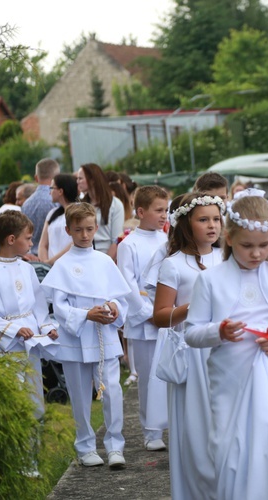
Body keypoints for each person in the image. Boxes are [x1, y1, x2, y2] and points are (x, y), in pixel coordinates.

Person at [185, 190, 268, 499]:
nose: (256, 254)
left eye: (264, 246)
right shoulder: (210, 280)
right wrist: (220, 331)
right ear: (228, 238)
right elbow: (192, 333)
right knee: (231, 451)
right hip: (230, 378)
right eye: (247, 246)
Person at [41, 202, 130, 469]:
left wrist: (114, 308)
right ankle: (85, 446)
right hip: (75, 338)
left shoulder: (104, 261)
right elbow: (60, 306)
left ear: (96, 227)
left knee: (112, 391)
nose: (84, 235)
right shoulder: (63, 265)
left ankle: (115, 445)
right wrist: (85, 315)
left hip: (104, 336)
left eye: (89, 229)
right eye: (78, 230)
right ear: (68, 230)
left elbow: (119, 298)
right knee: (79, 394)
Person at [152, 192, 224, 499]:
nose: (212, 226)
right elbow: (160, 316)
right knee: (195, 427)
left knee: (222, 422)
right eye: (203, 220)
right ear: (186, 224)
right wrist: (194, 306)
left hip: (223, 349)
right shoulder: (174, 265)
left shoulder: (227, 259)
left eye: (217, 219)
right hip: (191, 353)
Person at [0, 211, 58, 477]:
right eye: (28, 238)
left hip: (29, 345)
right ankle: (10, 461)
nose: (31, 242)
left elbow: (38, 305)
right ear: (11, 239)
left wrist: (46, 327)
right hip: (7, 348)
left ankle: (30, 460)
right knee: (13, 404)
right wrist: (13, 329)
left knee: (34, 403)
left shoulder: (26, 267)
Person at [117, 186, 170, 452]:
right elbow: (127, 283)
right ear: (140, 211)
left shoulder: (168, 240)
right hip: (148, 319)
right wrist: (149, 313)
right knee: (149, 376)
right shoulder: (129, 245)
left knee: (170, 372)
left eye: (166, 210)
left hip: (170, 315)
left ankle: (172, 421)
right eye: (158, 210)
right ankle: (151, 430)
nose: (164, 215)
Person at [76, 163, 125, 260]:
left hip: (105, 256)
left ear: (92, 180)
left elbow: (116, 240)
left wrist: (104, 264)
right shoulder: (79, 205)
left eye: (80, 178)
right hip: (83, 256)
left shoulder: (115, 204)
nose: (77, 182)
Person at [22, 158, 60, 256]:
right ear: (57, 177)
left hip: (31, 257)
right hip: (52, 257)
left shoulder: (26, 203)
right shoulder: (57, 201)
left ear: (36, 178)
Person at [38, 173, 77, 265]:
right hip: (51, 268)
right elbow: (43, 244)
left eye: (51, 188)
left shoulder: (79, 212)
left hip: (70, 265)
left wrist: (52, 261)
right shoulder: (52, 213)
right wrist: (45, 263)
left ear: (60, 191)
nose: (49, 192)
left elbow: (76, 242)